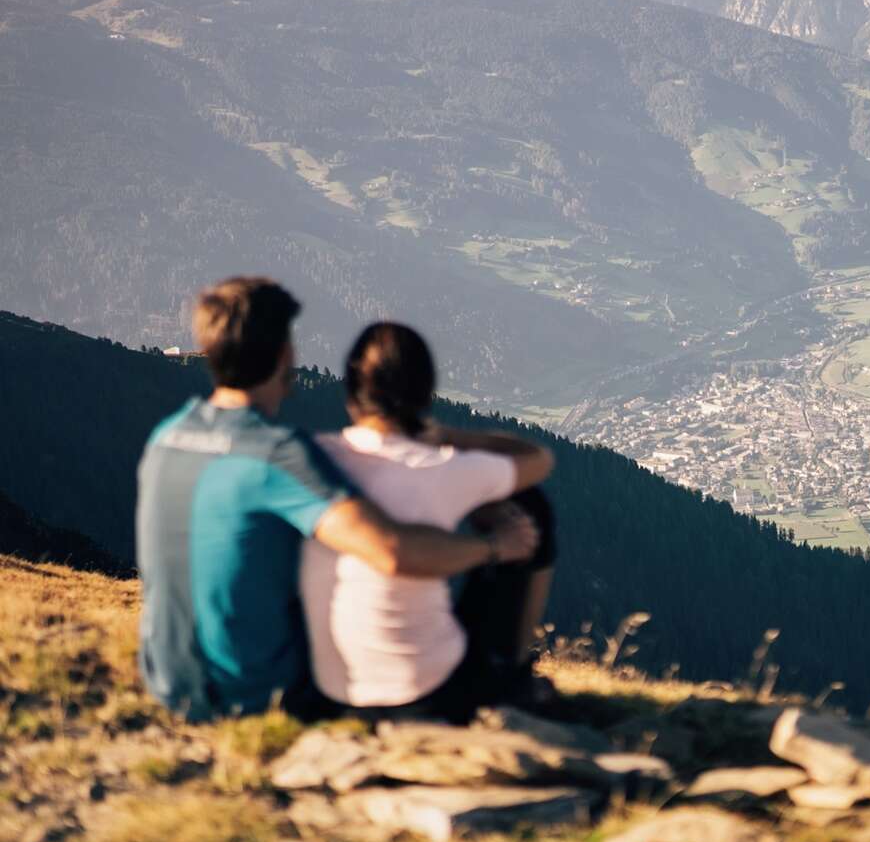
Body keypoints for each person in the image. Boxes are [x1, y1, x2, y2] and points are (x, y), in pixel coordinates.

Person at [136, 277, 541, 722]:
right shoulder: (275, 454)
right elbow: (390, 549)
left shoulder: (168, 435)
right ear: (283, 355)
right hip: (248, 696)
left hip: (168, 681)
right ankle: (506, 679)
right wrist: (495, 546)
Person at [300, 321, 558, 722]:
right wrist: (449, 436)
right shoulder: (440, 466)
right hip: (430, 691)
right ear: (425, 394)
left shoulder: (314, 457)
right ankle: (511, 670)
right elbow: (538, 460)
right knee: (528, 504)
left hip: (330, 685)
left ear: (352, 393)